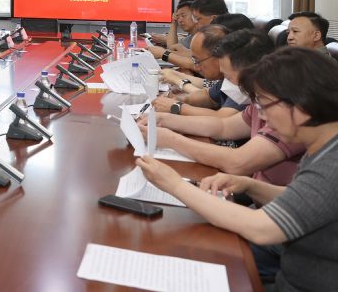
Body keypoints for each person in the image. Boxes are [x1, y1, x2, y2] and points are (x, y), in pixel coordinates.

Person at [137, 47, 338, 291]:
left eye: (265, 105)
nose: (263, 117)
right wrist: (251, 186)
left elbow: (261, 228)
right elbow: (305, 200)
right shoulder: (324, 145)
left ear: (301, 106)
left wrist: (174, 184)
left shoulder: (332, 164)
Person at [142, 29, 303, 186]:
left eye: (228, 77)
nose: (224, 84)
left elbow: (238, 162)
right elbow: (223, 126)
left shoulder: (287, 110)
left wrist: (171, 140)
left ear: (252, 71)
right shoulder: (260, 100)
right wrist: (164, 119)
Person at [153, 25, 247, 118]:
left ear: (220, 56)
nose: (196, 67)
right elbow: (209, 97)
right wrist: (179, 100)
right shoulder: (225, 79)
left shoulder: (242, 78)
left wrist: (177, 107)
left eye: (198, 61)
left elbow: (223, 119)